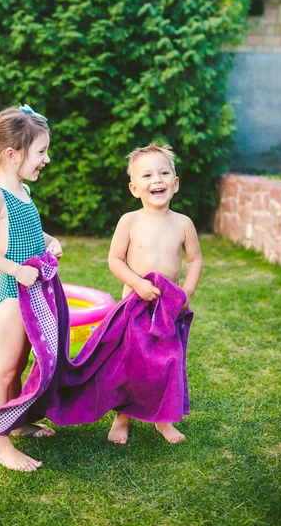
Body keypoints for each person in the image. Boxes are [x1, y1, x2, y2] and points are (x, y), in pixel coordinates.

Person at [0, 104, 63, 472]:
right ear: (12, 154)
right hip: (10, 295)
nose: (46, 159)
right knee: (5, 371)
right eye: (41, 152)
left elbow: (28, 235)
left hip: (31, 294)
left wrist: (50, 241)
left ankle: (18, 422)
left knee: (21, 364)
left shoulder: (21, 190)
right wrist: (15, 271)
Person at [107, 142, 203, 445]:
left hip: (167, 310)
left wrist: (185, 291)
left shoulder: (183, 223)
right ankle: (122, 417)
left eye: (163, 173)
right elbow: (115, 260)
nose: (156, 180)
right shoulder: (129, 221)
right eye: (147, 176)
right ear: (135, 188)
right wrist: (136, 283)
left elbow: (195, 260)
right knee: (131, 365)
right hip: (134, 308)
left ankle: (163, 420)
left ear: (174, 184)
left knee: (167, 364)